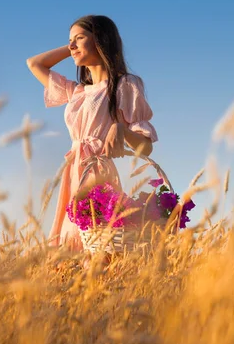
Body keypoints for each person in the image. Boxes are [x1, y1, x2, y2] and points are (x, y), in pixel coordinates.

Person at [26, 15, 158, 252]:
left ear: (102, 40)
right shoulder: (76, 92)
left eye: (79, 38)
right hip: (73, 171)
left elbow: (146, 146)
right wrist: (73, 49)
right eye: (69, 41)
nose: (72, 45)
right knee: (70, 246)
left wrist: (119, 129)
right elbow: (34, 64)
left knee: (99, 246)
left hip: (98, 172)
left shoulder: (125, 84)